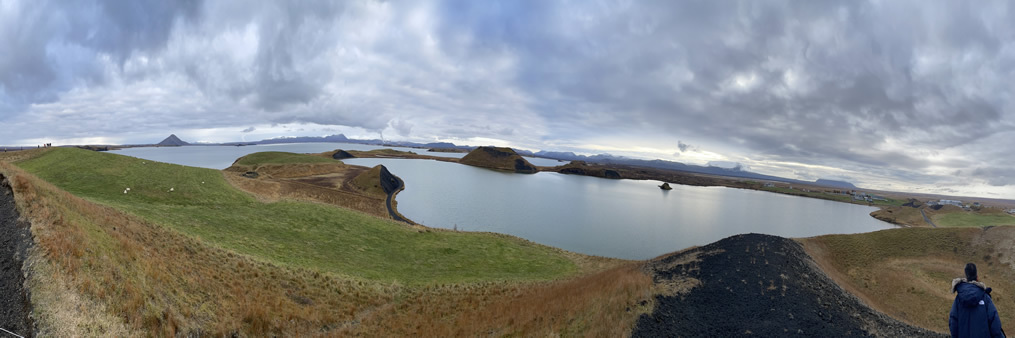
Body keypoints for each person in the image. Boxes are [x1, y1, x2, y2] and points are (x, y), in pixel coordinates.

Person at [950, 263, 1004, 337]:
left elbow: (953, 323)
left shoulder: (958, 299)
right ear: (977, 277)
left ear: (966, 277)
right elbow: (995, 325)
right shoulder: (985, 298)